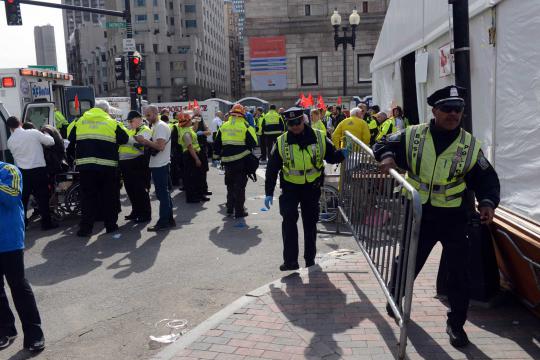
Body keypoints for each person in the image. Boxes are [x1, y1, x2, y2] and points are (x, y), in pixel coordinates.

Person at [373, 85, 500, 348]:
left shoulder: (469, 144)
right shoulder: (414, 134)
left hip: (455, 215)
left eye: (458, 109)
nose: (453, 114)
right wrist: (386, 157)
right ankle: (395, 297)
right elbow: (383, 142)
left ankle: (456, 325)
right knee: (408, 260)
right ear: (435, 110)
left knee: (459, 273)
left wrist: (487, 202)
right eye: (447, 109)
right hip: (420, 212)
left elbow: (487, 177)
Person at [264, 107, 348, 271]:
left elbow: (330, 157)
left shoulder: (319, 137)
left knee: (310, 223)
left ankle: (310, 259)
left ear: (303, 120)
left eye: (297, 122)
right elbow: (272, 168)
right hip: (290, 187)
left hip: (311, 186)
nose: (295, 126)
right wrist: (268, 192)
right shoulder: (281, 141)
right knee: (288, 219)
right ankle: (290, 261)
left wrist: (342, 154)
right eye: (291, 123)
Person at [0, 161, 45, 352]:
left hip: (9, 240)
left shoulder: (9, 170)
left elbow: (11, 197)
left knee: (18, 285)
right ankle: (5, 330)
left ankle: (35, 334)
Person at [67, 100, 129, 236]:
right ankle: (111, 226)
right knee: (109, 197)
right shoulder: (112, 122)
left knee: (87, 198)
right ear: (106, 111)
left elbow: (70, 136)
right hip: (107, 168)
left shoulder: (80, 121)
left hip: (86, 167)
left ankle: (86, 229)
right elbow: (125, 138)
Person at [6, 116, 58, 230]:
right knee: (42, 198)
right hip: (38, 170)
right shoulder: (33, 133)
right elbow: (51, 142)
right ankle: (46, 224)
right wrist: (46, 133)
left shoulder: (10, 141)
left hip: (22, 173)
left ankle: (23, 224)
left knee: (23, 199)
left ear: (9, 127)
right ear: (21, 123)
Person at [214, 104, 258, 218]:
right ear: (242, 114)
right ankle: (239, 211)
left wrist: (217, 156)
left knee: (230, 185)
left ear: (231, 113)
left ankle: (229, 208)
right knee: (240, 187)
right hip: (241, 162)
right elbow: (253, 143)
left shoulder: (224, 125)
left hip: (227, 162)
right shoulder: (246, 125)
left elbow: (217, 144)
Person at [135, 105, 174, 231]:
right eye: (145, 115)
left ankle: (163, 222)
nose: (146, 118)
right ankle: (169, 219)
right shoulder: (158, 126)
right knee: (165, 193)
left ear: (155, 113)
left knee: (162, 194)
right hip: (160, 163)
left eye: (148, 115)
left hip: (160, 164)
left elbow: (160, 146)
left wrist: (144, 141)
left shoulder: (160, 126)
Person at [119, 110, 152, 223]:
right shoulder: (130, 131)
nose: (129, 123)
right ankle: (136, 211)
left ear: (138, 119)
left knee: (140, 189)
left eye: (131, 121)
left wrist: (127, 140)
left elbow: (141, 144)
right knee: (130, 190)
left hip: (137, 162)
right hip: (126, 164)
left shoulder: (145, 130)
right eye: (128, 121)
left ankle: (146, 214)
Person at [177, 113, 208, 203]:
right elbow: (190, 146)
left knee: (197, 176)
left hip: (193, 154)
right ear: (187, 122)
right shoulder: (185, 132)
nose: (191, 120)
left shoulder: (187, 129)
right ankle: (192, 197)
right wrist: (196, 159)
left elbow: (194, 128)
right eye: (190, 119)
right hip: (190, 155)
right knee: (192, 178)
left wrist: (197, 117)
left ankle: (199, 195)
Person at [192, 107, 212, 196]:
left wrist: (203, 133)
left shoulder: (202, 121)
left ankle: (204, 189)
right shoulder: (192, 120)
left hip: (203, 148)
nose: (198, 116)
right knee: (198, 171)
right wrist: (196, 119)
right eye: (197, 114)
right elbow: (194, 130)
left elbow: (209, 132)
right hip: (196, 149)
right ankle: (200, 190)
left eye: (199, 114)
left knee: (204, 170)